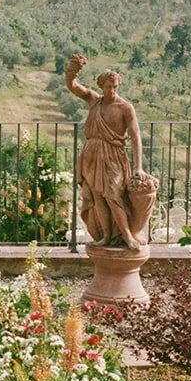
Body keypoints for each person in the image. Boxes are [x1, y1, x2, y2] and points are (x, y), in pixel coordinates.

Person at [65, 53, 148, 250]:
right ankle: (106, 235)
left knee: (113, 195)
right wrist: (72, 70)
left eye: (115, 87)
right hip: (92, 154)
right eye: (108, 87)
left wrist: (139, 167)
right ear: (101, 86)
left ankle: (127, 235)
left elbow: (135, 136)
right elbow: (73, 86)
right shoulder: (95, 101)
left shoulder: (126, 108)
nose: (112, 90)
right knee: (97, 196)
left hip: (113, 156)